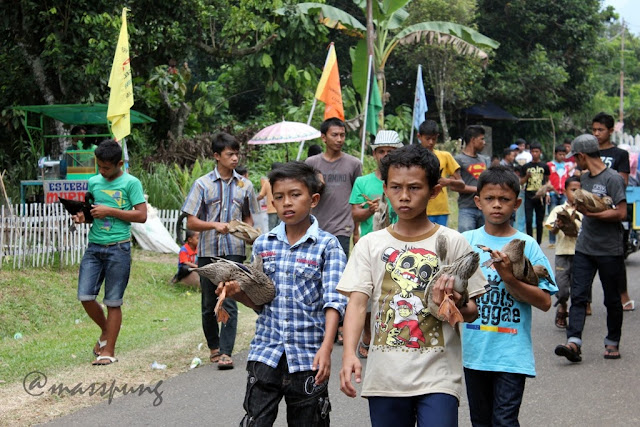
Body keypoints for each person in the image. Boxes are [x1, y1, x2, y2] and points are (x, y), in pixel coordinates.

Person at [338, 144, 486, 427]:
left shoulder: (454, 242)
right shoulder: (370, 244)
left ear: (434, 190)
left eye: (415, 188)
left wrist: (454, 302)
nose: (404, 197)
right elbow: (357, 303)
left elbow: (472, 311)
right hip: (385, 378)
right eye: (395, 187)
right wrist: (348, 355)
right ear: (385, 188)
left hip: (438, 376)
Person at [217, 161, 347, 426]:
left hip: (308, 356)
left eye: (295, 195)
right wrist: (234, 293)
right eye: (279, 197)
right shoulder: (264, 244)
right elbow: (260, 301)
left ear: (313, 199)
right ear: (272, 201)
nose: (286, 203)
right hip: (266, 353)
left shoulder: (327, 246)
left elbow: (335, 302)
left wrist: (327, 348)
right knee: (255, 421)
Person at [461, 165, 556, 426]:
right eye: (490, 199)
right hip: (474, 353)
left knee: (504, 421)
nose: (497, 205)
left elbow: (546, 302)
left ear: (517, 203)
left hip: (511, 354)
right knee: (480, 421)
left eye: (504, 200)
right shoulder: (465, 241)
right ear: (478, 202)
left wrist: (509, 277)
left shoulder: (527, 245)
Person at [181, 132, 260, 370]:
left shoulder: (245, 185)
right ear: (217, 156)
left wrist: (249, 233)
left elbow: (249, 216)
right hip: (208, 251)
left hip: (235, 251)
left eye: (237, 154)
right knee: (208, 303)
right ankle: (214, 347)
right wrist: (214, 225)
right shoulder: (202, 184)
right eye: (230, 154)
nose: (235, 158)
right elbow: (191, 222)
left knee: (230, 299)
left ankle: (226, 352)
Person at [72, 139, 147, 365]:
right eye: (99, 167)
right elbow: (92, 212)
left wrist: (110, 211)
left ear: (119, 163)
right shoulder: (93, 182)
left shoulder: (131, 183)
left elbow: (141, 215)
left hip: (119, 248)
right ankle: (107, 331)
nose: (102, 171)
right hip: (94, 247)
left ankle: (108, 352)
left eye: (106, 167)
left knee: (113, 301)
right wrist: (82, 217)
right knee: (85, 296)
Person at [555, 134, 627, 362]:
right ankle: (573, 342)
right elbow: (581, 209)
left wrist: (593, 213)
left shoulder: (613, 179)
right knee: (578, 296)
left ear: (582, 155)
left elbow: (621, 213)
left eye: (575, 157)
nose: (575, 162)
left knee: (612, 299)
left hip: (609, 249)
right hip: (585, 247)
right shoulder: (583, 179)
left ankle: (612, 342)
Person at [348, 129, 402, 359]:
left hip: (400, 244)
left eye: (391, 151)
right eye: (381, 151)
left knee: (396, 291)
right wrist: (368, 210)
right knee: (367, 293)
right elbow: (355, 215)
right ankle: (368, 337)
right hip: (370, 246)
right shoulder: (363, 182)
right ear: (374, 154)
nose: (386, 155)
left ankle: (394, 333)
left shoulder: (403, 181)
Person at [591, 112, 634, 310]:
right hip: (589, 209)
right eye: (594, 130)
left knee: (616, 255)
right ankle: (585, 301)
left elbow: (623, 181)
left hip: (614, 209)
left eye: (600, 130)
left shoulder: (620, 154)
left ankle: (623, 295)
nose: (597, 133)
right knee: (584, 257)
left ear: (610, 131)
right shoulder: (589, 152)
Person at [305, 117, 362, 256]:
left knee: (338, 271)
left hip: (342, 228)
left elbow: (357, 200)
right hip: (315, 227)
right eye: (334, 135)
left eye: (342, 135)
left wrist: (356, 232)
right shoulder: (311, 163)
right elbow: (304, 194)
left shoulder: (354, 164)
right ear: (324, 137)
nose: (339, 139)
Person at [544, 176, 583, 328]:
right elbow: (552, 231)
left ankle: (575, 317)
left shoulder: (585, 211)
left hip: (580, 253)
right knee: (561, 286)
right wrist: (558, 226)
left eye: (580, 191)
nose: (576, 194)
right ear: (565, 191)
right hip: (562, 253)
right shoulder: (558, 210)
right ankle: (562, 305)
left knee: (578, 287)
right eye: (573, 190)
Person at [417, 120, 465, 226]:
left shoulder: (445, 156)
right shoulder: (413, 157)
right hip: (419, 208)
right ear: (419, 137)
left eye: (433, 139)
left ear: (437, 137)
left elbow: (461, 183)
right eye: (427, 139)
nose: (430, 142)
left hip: (441, 210)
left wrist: (447, 181)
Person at [455, 125, 491, 232]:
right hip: (467, 207)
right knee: (466, 241)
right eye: (482, 139)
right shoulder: (458, 159)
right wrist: (478, 190)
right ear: (473, 140)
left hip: (484, 207)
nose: (484, 142)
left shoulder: (484, 160)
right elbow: (455, 186)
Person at [519, 142, 550, 244]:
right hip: (529, 195)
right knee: (528, 220)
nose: (534, 154)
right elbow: (521, 182)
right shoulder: (525, 167)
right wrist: (527, 177)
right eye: (532, 151)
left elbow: (547, 181)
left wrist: (547, 193)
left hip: (541, 197)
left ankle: (539, 242)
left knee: (539, 221)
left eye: (536, 151)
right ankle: (530, 241)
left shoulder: (544, 166)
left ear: (540, 152)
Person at [547, 145, 570, 246]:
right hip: (552, 193)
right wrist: (547, 192)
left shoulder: (566, 166)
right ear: (555, 154)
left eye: (563, 154)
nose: (562, 156)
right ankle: (552, 240)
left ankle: (563, 237)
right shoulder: (550, 165)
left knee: (565, 216)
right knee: (552, 215)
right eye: (560, 154)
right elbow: (547, 180)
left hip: (563, 193)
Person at [258, 162, 283, 231]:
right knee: (282, 228)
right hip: (282, 209)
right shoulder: (284, 182)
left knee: (272, 229)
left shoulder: (267, 182)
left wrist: (252, 199)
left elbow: (261, 195)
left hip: (271, 210)